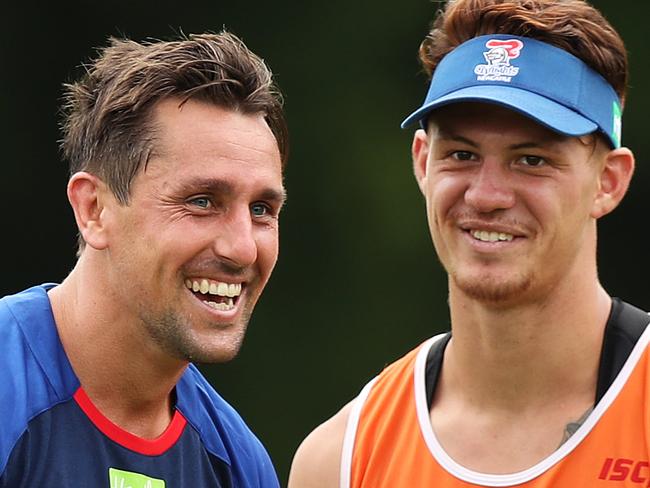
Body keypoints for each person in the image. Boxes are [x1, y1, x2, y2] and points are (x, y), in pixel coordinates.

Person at [288, 0, 644, 486]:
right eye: (461, 154)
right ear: (422, 164)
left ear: (607, 181)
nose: (486, 195)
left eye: (532, 160)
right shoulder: (342, 460)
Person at [0, 31, 288, 487]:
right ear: (94, 209)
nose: (243, 248)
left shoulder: (240, 465)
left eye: (261, 210)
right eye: (201, 201)